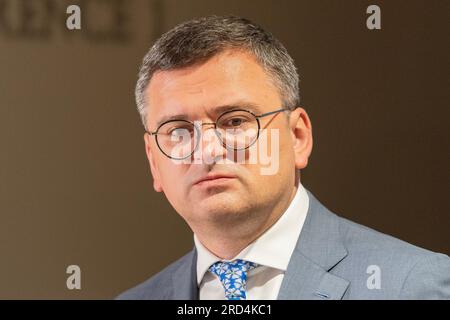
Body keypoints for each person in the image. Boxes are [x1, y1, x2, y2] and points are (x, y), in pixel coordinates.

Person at [117, 16, 450, 300]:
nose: (207, 149)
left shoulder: (410, 283)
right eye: (177, 131)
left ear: (298, 137)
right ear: (154, 162)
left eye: (234, 121)